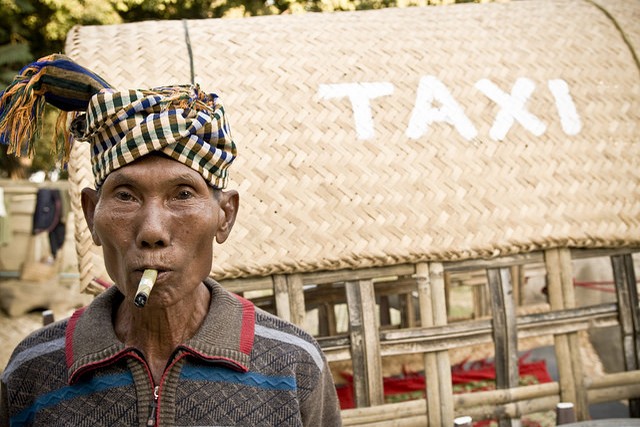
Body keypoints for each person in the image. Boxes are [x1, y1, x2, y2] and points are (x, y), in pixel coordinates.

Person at [0, 54, 342, 426]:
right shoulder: (31, 373)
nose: (152, 231)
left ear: (225, 216)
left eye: (182, 195)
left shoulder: (293, 366)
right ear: (90, 215)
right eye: (126, 196)